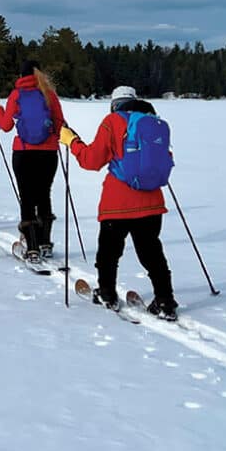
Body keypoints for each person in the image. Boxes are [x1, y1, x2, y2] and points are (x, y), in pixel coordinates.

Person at [59, 85, 179, 320]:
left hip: (117, 203)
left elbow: (92, 160)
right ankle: (165, 300)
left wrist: (72, 141)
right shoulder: (154, 122)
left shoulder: (112, 121)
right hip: (152, 202)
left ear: (114, 104)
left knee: (109, 253)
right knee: (152, 253)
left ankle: (107, 293)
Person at [0, 59, 64, 262]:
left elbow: (6, 126)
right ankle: (44, 243)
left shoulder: (16, 95)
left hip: (23, 153)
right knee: (44, 195)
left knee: (27, 197)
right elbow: (59, 124)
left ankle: (31, 247)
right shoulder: (49, 94)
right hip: (49, 153)